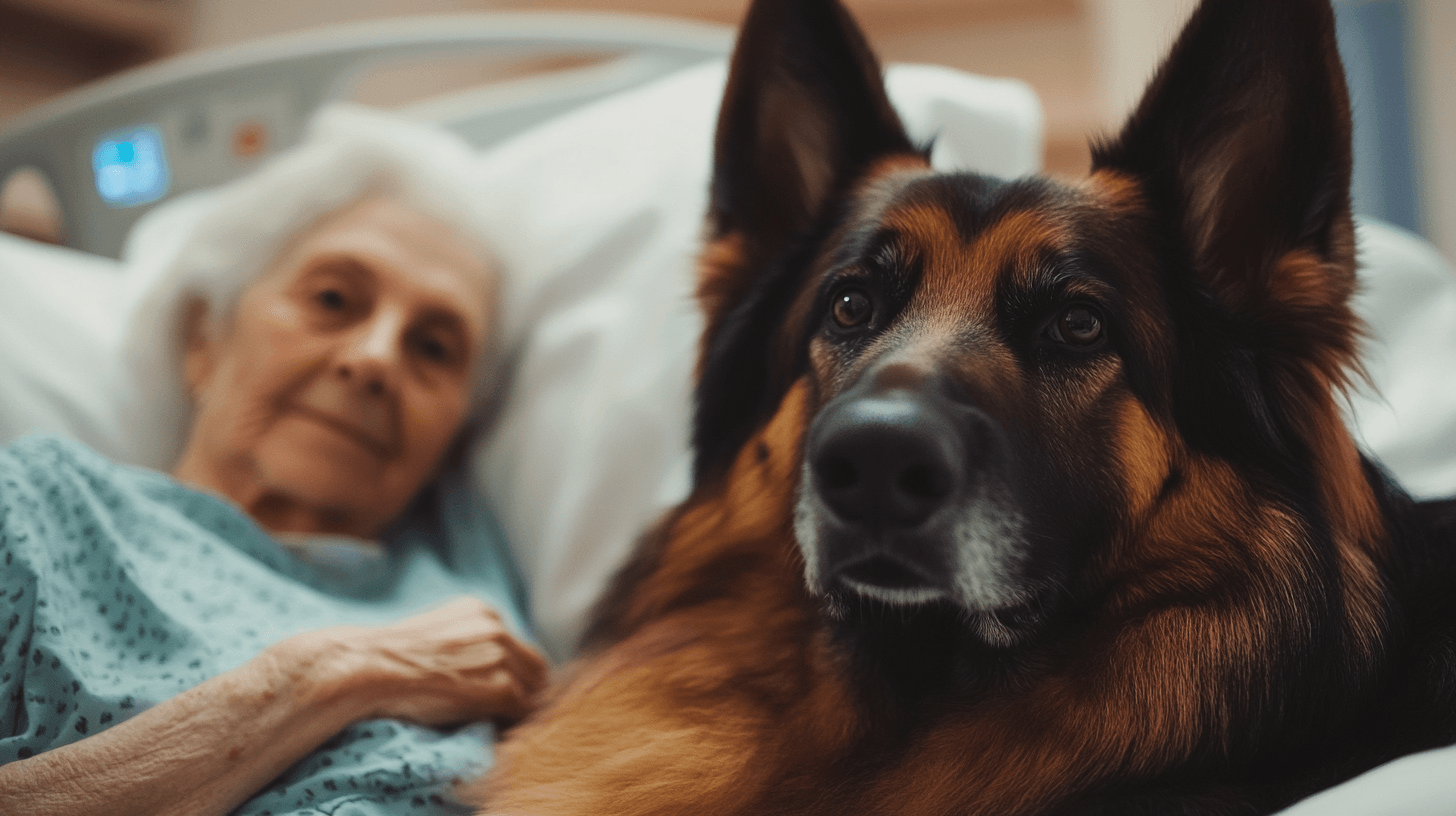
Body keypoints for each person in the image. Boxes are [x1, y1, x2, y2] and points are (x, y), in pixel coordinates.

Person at [0, 105, 547, 815]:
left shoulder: (466, 575)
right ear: (205, 338)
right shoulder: (42, 512)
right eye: (333, 298)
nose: (376, 358)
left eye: (434, 348)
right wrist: (330, 675)